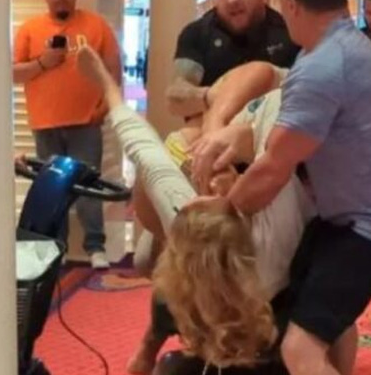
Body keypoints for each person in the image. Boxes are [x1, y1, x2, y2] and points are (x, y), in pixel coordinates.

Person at [194, 0, 371, 375]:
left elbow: (273, 170)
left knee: (299, 348)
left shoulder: (324, 65)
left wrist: (223, 213)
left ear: (290, 4)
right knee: (322, 315)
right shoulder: (338, 45)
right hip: (355, 217)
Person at [77, 45, 313, 370]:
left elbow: (142, 146)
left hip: (222, 291)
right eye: (213, 193)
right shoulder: (276, 221)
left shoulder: (184, 221)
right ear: (240, 215)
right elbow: (281, 102)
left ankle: (161, 342)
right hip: (277, 300)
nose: (209, 180)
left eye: (200, 192)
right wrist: (225, 134)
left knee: (167, 268)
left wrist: (106, 84)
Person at [127, 0, 300, 375]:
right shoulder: (197, 34)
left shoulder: (288, 32)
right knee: (168, 255)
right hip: (204, 153)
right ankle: (154, 340)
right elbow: (175, 96)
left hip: (267, 153)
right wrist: (212, 99)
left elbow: (290, 90)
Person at [13, 0, 121, 269]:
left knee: (88, 187)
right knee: (53, 190)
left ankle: (96, 247)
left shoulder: (96, 25)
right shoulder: (30, 29)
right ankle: (55, 249)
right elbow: (13, 73)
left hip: (87, 123)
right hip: (45, 123)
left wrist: (105, 108)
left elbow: (114, 69)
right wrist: (43, 62)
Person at [165, 0, 299, 121]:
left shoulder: (291, 30)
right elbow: (174, 100)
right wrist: (211, 96)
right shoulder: (197, 33)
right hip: (209, 132)